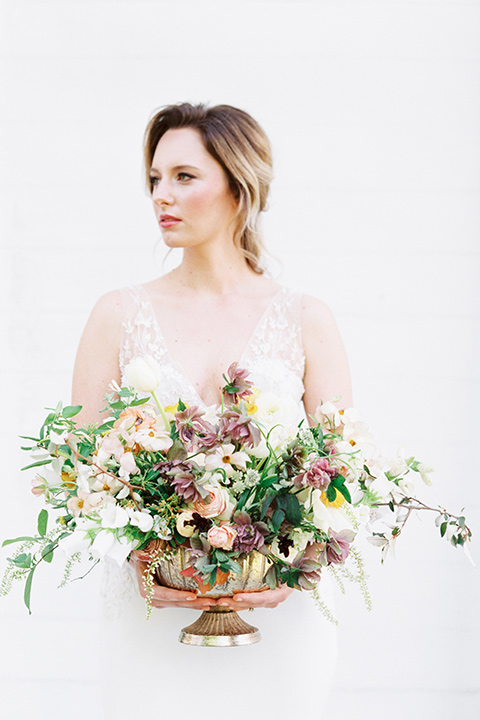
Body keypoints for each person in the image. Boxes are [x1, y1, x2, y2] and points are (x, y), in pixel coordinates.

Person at [72, 103, 352, 719]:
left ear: (238, 184)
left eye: (183, 176)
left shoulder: (306, 319)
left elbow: (342, 480)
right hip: (152, 618)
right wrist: (137, 557)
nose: (160, 196)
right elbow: (82, 478)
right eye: (154, 179)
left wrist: (298, 567)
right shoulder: (116, 316)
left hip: (280, 625)